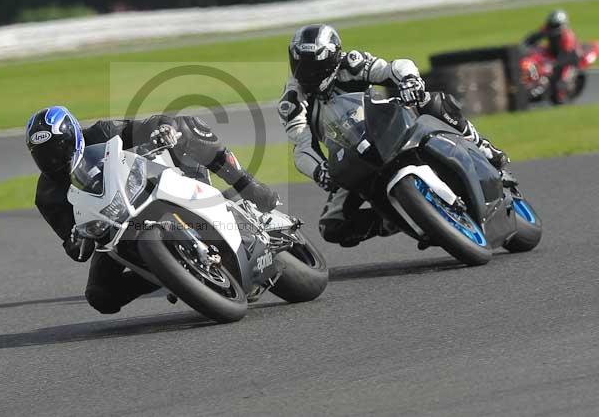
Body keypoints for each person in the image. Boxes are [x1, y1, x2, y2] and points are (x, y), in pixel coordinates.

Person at [278, 23, 514, 249]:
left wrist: (410, 80)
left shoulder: (351, 65)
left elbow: (394, 67)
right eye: (299, 64)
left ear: (332, 58)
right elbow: (302, 147)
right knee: (332, 227)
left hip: (388, 125)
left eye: (313, 66)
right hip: (352, 157)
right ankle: (394, 220)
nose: (305, 74)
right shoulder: (292, 101)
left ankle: (482, 146)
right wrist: (319, 171)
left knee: (430, 100)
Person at [25, 107, 279, 314]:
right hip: (117, 231)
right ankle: (173, 276)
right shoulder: (47, 196)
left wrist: (164, 129)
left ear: (74, 137)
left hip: (151, 186)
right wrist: (77, 241)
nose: (54, 160)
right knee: (100, 295)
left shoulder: (102, 132)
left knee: (186, 125)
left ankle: (248, 185)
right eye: (44, 155)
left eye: (58, 149)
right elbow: (75, 248)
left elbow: (148, 124)